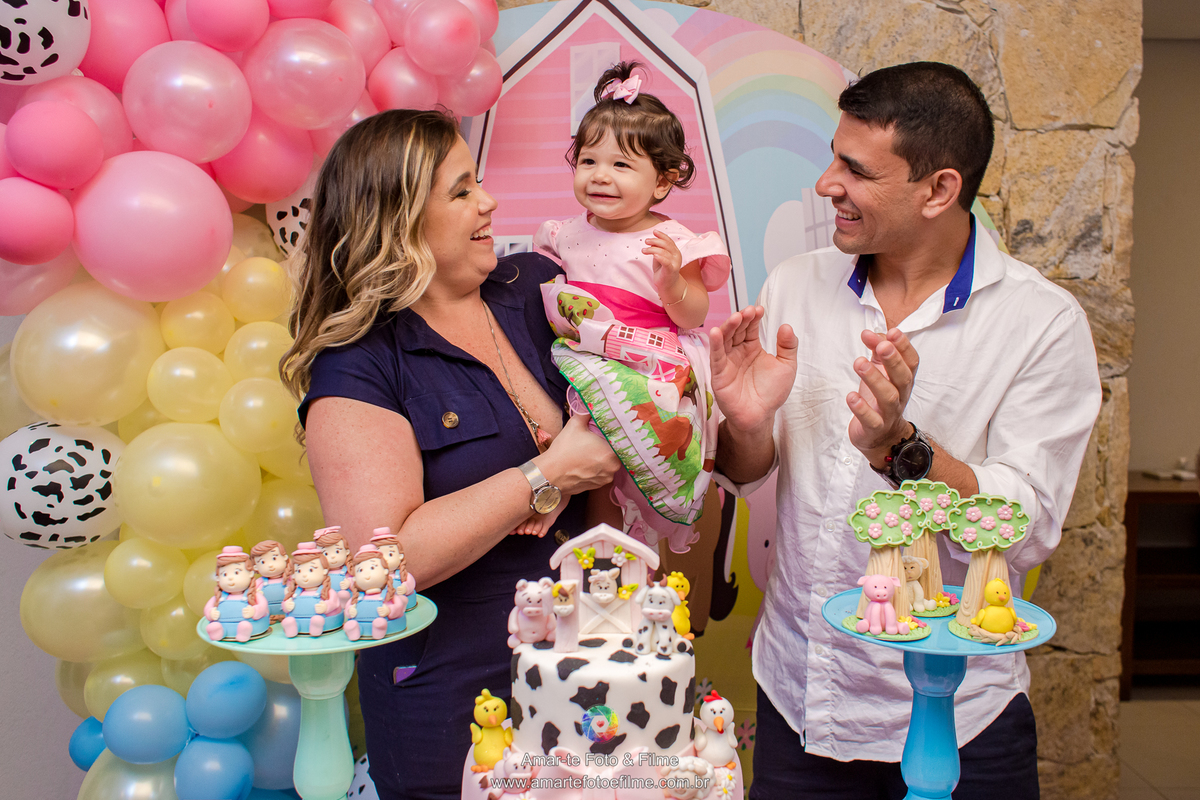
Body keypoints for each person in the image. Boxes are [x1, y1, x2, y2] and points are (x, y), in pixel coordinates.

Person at [708, 62, 1102, 799]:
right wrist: (746, 424)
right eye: (833, 157)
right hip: (799, 698)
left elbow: (1026, 529)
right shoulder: (796, 284)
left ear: (939, 190)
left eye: (856, 170)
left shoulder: (1041, 323)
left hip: (959, 716)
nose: (826, 183)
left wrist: (901, 451)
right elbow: (749, 468)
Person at [281, 109, 620, 800]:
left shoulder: (535, 289)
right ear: (399, 222)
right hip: (452, 700)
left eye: (478, 182)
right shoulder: (359, 364)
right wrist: (548, 474)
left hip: (586, 666)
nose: (488, 202)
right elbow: (385, 562)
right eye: (461, 191)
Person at [530, 61, 731, 552]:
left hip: (648, 361)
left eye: (621, 165)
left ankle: (620, 543)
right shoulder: (564, 233)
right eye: (588, 161)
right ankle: (560, 490)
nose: (600, 176)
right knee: (565, 419)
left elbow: (693, 315)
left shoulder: (671, 241)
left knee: (621, 442)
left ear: (662, 182)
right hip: (582, 353)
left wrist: (671, 281)